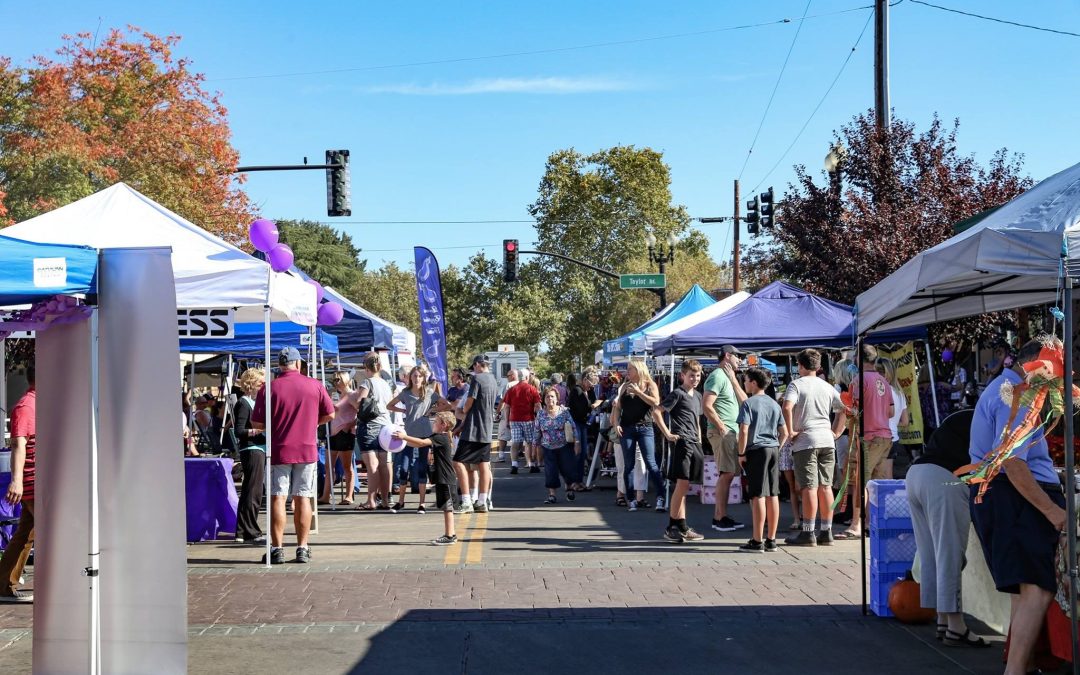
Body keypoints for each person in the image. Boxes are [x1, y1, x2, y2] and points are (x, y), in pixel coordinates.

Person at [969, 340, 1065, 674]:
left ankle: (1018, 665)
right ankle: (1016, 669)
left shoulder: (1005, 387)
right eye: (1055, 368)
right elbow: (1012, 462)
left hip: (1001, 496)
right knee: (1037, 588)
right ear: (1038, 363)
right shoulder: (1017, 391)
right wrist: (1052, 512)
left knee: (1025, 588)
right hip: (1014, 497)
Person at [905, 408, 989, 647]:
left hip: (916, 474)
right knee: (948, 555)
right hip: (945, 480)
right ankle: (955, 626)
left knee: (930, 553)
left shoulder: (960, 415)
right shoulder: (993, 418)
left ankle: (943, 619)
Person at [251, 347, 335, 564]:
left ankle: (277, 549)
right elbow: (330, 413)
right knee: (303, 497)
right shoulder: (314, 385)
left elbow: (257, 423)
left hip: (279, 449)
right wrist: (313, 422)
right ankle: (302, 547)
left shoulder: (269, 389)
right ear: (298, 364)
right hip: (306, 449)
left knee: (277, 497)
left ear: (279, 365)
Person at [783, 349, 846, 547]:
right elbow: (843, 408)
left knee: (809, 486)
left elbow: (787, 407)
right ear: (818, 367)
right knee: (825, 486)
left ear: (799, 366)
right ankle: (826, 531)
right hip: (826, 439)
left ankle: (808, 531)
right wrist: (836, 431)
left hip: (806, 441)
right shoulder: (827, 386)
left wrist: (790, 431)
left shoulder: (796, 385)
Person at [735, 367, 789, 553]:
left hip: (756, 450)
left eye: (746, 380)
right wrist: (777, 447)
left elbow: (743, 430)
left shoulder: (748, 403)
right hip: (773, 448)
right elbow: (785, 433)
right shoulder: (774, 404)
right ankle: (771, 539)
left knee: (757, 494)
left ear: (754, 383)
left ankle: (757, 540)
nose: (744, 383)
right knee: (773, 494)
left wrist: (741, 453)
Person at [652, 359, 706, 543]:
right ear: (682, 375)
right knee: (681, 485)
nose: (695, 379)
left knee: (686, 486)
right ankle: (671, 527)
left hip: (694, 442)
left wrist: (698, 438)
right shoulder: (677, 393)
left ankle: (681, 525)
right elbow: (657, 411)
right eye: (691, 375)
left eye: (698, 375)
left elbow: (696, 419)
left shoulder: (698, 396)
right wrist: (667, 434)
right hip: (682, 442)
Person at [844, 344, 894, 539]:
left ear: (858, 360)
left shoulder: (859, 380)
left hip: (869, 436)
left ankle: (856, 523)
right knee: (878, 482)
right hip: (885, 435)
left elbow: (855, 409)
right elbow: (890, 412)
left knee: (861, 481)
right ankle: (874, 522)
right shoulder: (884, 381)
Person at [387, 366, 447, 513]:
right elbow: (389, 405)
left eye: (419, 376)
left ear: (424, 378)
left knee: (422, 468)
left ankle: (422, 503)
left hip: (424, 434)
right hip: (407, 435)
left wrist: (433, 410)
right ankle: (401, 502)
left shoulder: (429, 393)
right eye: (414, 376)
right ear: (410, 378)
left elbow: (447, 404)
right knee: (403, 468)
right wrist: (403, 410)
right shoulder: (405, 393)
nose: (417, 378)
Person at [393, 412, 459, 545]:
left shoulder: (441, 437)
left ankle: (450, 535)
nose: (433, 424)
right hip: (443, 477)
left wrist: (404, 436)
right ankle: (450, 534)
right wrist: (404, 440)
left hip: (445, 478)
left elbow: (422, 442)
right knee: (445, 507)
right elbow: (419, 444)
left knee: (447, 508)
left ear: (443, 425)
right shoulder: (439, 437)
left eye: (436, 422)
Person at [0, 365, 36, 602]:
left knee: (26, 533)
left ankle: (4, 584)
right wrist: (16, 481)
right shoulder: (26, 406)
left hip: (38, 481)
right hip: (33, 481)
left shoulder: (39, 404)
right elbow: (18, 444)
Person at [703, 345, 748, 531]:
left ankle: (720, 516)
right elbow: (706, 405)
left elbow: (746, 402)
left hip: (730, 431)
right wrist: (721, 426)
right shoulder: (717, 376)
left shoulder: (728, 377)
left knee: (729, 474)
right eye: (738, 357)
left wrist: (734, 381)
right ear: (728, 356)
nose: (740, 360)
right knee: (727, 474)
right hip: (723, 431)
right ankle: (720, 518)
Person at [610, 360, 665, 512]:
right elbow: (617, 407)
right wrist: (616, 424)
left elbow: (656, 402)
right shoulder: (625, 386)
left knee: (650, 463)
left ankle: (660, 496)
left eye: (630, 369)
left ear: (639, 370)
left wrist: (639, 393)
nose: (627, 372)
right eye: (627, 369)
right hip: (627, 428)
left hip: (645, 427)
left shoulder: (649, 384)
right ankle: (631, 499)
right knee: (629, 465)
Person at [454, 354, 498, 514]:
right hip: (486, 429)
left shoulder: (477, 379)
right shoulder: (493, 380)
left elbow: (470, 400)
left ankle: (466, 500)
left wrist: (463, 410)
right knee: (484, 464)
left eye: (474, 367)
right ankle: (482, 500)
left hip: (473, 428)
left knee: (458, 462)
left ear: (479, 365)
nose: (474, 370)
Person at [233, 368, 267, 544]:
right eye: (260, 384)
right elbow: (239, 430)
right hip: (252, 449)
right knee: (253, 492)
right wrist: (258, 431)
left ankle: (241, 530)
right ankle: (251, 530)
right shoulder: (244, 403)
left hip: (256, 448)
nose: (263, 387)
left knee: (250, 491)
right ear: (251, 384)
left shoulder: (250, 403)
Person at [356, 354, 394, 511]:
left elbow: (360, 401)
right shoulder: (385, 384)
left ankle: (371, 500)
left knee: (372, 464)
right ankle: (385, 500)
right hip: (385, 426)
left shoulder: (367, 382)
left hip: (370, 425)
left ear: (366, 367)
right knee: (384, 464)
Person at [321, 371, 361, 506]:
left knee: (346, 466)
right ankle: (326, 495)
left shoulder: (352, 395)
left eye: (338, 379)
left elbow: (360, 413)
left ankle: (349, 495)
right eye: (334, 379)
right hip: (333, 433)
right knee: (328, 466)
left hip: (345, 433)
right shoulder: (337, 395)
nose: (335, 382)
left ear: (345, 379)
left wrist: (349, 425)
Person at [534, 387, 580, 503]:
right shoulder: (540, 414)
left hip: (564, 446)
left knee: (567, 469)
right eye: (547, 396)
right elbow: (537, 430)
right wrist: (535, 445)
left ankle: (569, 488)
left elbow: (573, 427)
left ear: (557, 398)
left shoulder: (564, 412)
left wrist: (577, 442)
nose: (550, 399)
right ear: (544, 399)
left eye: (552, 396)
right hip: (547, 447)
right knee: (551, 471)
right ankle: (552, 495)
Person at [876, 357, 910, 479]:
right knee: (888, 476)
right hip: (893, 437)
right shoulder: (900, 393)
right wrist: (893, 423)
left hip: (880, 437)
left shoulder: (881, 391)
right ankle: (889, 498)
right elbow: (905, 422)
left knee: (877, 477)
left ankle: (879, 498)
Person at [502, 369, 541, 475]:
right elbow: (537, 406)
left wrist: (506, 420)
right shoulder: (532, 389)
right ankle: (532, 465)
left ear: (518, 377)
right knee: (530, 442)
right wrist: (541, 418)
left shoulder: (511, 390)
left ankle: (514, 465)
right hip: (529, 420)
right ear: (527, 378)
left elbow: (506, 407)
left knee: (515, 442)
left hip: (514, 420)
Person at [566, 372, 594, 490]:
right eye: (591, 382)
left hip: (582, 424)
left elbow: (592, 401)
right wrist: (592, 407)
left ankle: (579, 480)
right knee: (577, 453)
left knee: (582, 454)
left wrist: (591, 394)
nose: (592, 385)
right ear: (584, 380)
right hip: (576, 424)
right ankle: (573, 482)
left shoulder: (585, 391)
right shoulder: (577, 390)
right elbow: (580, 410)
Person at [494, 368, 519, 463]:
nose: (507, 378)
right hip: (519, 414)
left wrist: (497, 412)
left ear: (513, 376)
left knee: (503, 435)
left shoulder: (509, 385)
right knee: (517, 436)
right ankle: (518, 455)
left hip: (508, 413)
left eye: (508, 376)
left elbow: (503, 400)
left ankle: (501, 456)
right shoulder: (523, 384)